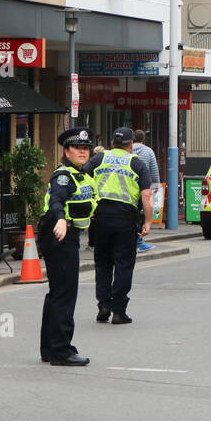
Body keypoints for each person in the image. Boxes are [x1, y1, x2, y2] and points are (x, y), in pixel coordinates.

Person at [37, 128, 97, 365]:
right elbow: (57, 199)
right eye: (77, 148)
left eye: (85, 148)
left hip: (65, 234)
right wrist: (61, 218)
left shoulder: (81, 175)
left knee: (57, 292)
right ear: (66, 151)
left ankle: (49, 348)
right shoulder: (64, 175)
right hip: (60, 234)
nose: (82, 152)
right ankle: (62, 350)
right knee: (65, 293)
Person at [86, 126, 152, 324]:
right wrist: (148, 222)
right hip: (125, 220)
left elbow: (83, 180)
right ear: (131, 145)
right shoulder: (137, 164)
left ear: (112, 143)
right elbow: (147, 195)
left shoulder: (98, 159)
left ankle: (103, 305)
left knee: (103, 263)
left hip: (100, 219)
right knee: (124, 265)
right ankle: (118, 310)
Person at [132, 129, 160, 253]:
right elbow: (154, 170)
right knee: (141, 214)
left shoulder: (127, 150)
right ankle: (139, 242)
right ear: (143, 139)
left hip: (128, 186)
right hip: (143, 187)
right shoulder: (148, 151)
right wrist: (156, 184)